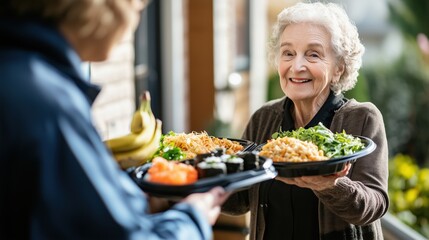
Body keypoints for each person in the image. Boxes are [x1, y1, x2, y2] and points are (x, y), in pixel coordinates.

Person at [0, 0, 229, 239]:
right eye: (137, 4)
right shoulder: (46, 100)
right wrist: (193, 217)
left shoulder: (18, 73)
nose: (138, 13)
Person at [222, 2, 389, 240]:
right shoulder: (264, 118)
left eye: (313, 54)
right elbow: (240, 201)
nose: (297, 66)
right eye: (288, 53)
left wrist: (331, 186)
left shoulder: (361, 118)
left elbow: (375, 205)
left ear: (338, 68)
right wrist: (202, 178)